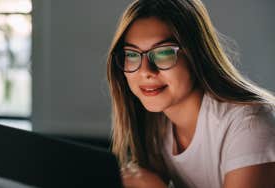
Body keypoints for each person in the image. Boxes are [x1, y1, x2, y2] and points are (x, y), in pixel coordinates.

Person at [106, 0, 275, 187]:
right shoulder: (154, 124)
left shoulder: (249, 124)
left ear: (196, 54)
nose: (146, 71)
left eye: (164, 53)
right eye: (131, 54)